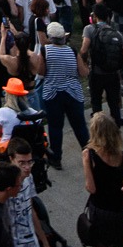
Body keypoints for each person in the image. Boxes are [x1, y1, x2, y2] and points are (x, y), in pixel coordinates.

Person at [31, 22, 87, 169]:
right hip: (73, 93)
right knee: (80, 126)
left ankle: (56, 158)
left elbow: (41, 72)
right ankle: (90, 155)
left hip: (53, 93)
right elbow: (83, 72)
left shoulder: (45, 50)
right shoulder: (72, 51)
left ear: (50, 37)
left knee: (55, 127)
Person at [80, 114, 123, 247]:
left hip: (100, 209)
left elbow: (91, 188)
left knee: (102, 246)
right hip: (122, 209)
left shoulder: (89, 155)